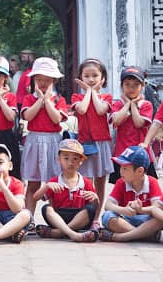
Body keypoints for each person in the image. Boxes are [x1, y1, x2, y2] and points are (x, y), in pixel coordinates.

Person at [21, 57, 68, 217]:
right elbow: (27, 116)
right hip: (34, 140)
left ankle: (55, 219)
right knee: (33, 183)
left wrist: (47, 100)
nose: (42, 83)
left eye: (47, 80)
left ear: (53, 81)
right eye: (39, 79)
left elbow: (56, 118)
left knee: (54, 183)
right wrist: (40, 100)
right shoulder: (29, 98)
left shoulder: (59, 99)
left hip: (53, 141)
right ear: (34, 79)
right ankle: (28, 218)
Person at [71, 58, 112, 227]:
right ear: (80, 77)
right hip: (85, 144)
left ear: (102, 78)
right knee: (85, 182)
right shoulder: (77, 97)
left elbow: (101, 110)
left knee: (100, 183)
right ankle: (85, 217)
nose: (91, 79)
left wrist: (93, 92)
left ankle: (96, 217)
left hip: (102, 143)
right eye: (86, 76)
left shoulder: (107, 97)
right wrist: (89, 91)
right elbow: (82, 109)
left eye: (95, 75)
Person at [32, 139, 99, 242]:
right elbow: (35, 198)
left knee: (91, 209)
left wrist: (96, 199)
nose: (70, 162)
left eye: (75, 159)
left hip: (79, 219)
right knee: (46, 208)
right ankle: (72, 234)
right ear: (59, 159)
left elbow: (95, 207)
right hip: (59, 218)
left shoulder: (86, 182)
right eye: (66, 158)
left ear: (81, 161)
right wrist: (46, 186)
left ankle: (58, 233)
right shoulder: (54, 181)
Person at [99, 146, 163, 242]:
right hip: (126, 219)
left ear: (140, 171)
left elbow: (158, 208)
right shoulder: (121, 182)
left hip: (145, 220)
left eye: (125, 168)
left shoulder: (152, 182)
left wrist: (141, 210)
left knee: (160, 219)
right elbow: (108, 205)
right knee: (107, 216)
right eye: (121, 167)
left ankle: (120, 237)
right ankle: (145, 236)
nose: (121, 171)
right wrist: (124, 210)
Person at [110, 66, 155, 183]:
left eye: (136, 85)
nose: (131, 88)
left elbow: (139, 123)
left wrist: (133, 105)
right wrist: (127, 104)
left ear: (142, 86)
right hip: (121, 153)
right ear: (122, 86)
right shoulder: (117, 104)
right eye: (127, 84)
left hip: (141, 152)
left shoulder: (146, 105)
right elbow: (116, 121)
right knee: (121, 185)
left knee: (144, 185)